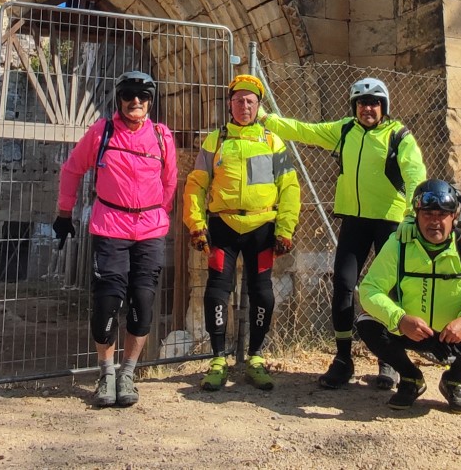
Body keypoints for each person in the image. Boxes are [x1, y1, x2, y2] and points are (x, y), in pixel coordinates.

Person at [262, 77, 427, 389]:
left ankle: (388, 359)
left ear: (384, 106)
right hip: (355, 220)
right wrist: (267, 119)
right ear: (354, 107)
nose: (368, 108)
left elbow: (415, 174)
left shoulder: (398, 136)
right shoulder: (345, 130)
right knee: (343, 284)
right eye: (362, 103)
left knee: (388, 291)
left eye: (374, 102)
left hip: (391, 222)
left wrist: (410, 215)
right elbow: (303, 130)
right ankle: (342, 358)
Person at [55, 70, 179, 409]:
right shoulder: (102, 131)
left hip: (150, 230)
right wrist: (64, 214)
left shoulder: (161, 135)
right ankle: (106, 374)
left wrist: (158, 212)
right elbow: (71, 169)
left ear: (150, 101)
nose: (135, 101)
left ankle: (128, 374)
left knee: (143, 303)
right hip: (110, 228)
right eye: (128, 95)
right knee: (108, 302)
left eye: (142, 96)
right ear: (119, 98)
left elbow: (170, 181)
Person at [183, 74, 299, 392]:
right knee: (218, 289)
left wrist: (285, 230)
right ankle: (218, 359)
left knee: (262, 291)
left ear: (258, 106)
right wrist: (196, 225)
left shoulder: (273, 140)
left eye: (250, 101)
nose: (244, 106)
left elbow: (289, 187)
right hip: (224, 226)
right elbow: (195, 185)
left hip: (262, 228)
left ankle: (256, 358)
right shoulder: (215, 141)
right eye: (238, 100)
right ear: (230, 104)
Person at [356, 178, 461, 413]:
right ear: (416, 214)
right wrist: (399, 319)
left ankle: (453, 381)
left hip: (453, 334)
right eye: (427, 214)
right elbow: (369, 290)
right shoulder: (399, 244)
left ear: (454, 216)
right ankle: (410, 378)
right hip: (411, 330)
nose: (434, 221)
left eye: (442, 215)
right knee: (367, 323)